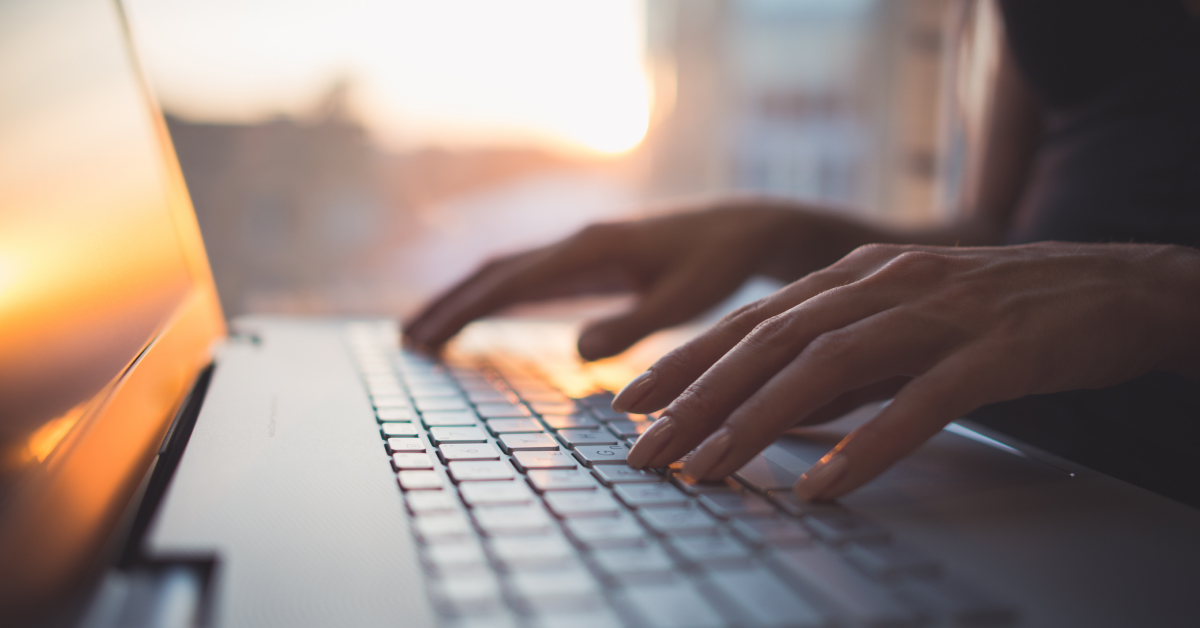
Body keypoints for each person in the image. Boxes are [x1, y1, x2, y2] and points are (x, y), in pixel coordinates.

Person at [405, 0, 1200, 505]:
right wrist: (786, 233)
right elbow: (1001, 234)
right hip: (991, 464)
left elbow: (1089, 279)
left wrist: (1164, 294)